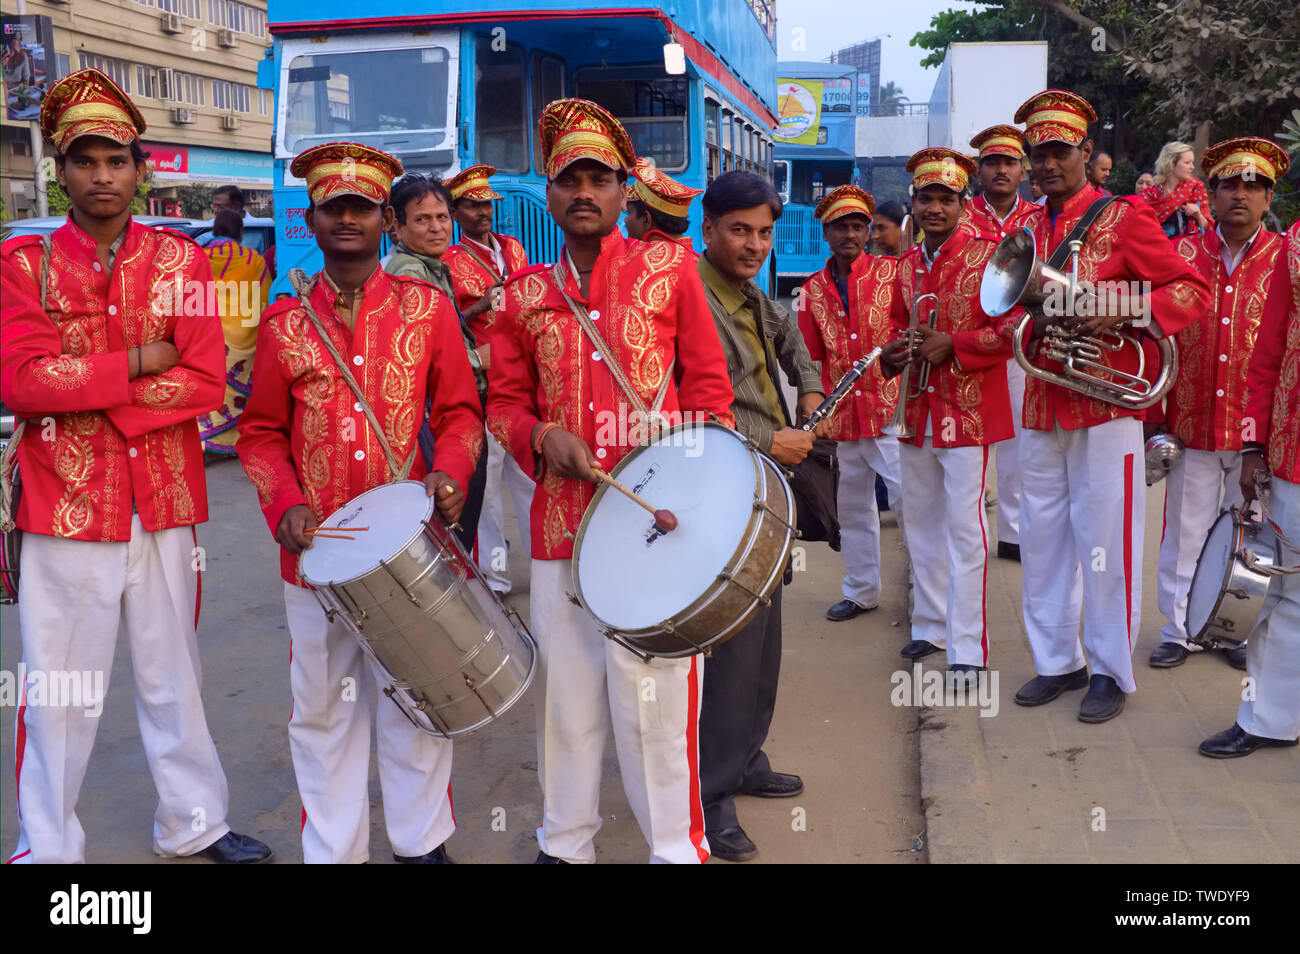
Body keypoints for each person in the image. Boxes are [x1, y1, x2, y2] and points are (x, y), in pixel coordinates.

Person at [0, 68, 271, 864]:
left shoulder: (183, 265)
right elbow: (19, 379)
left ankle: (194, 824)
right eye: (85, 161)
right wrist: (140, 360)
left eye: (116, 160)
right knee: (58, 690)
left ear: (139, 167)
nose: (102, 176)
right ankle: (45, 847)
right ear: (60, 169)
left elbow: (203, 379)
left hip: (163, 499)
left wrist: (87, 390)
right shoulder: (25, 267)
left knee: (173, 673)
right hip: (63, 504)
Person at [487, 98, 735, 864]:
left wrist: (698, 496)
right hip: (562, 524)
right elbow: (503, 401)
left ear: (627, 192)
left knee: (655, 694)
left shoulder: (672, 271)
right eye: (569, 179)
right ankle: (564, 843)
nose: (584, 192)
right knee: (567, 695)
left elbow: (709, 394)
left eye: (600, 179)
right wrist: (537, 434)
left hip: (657, 523)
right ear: (551, 194)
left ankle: (674, 848)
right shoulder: (522, 296)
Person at [236, 142, 484, 864]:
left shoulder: (427, 310)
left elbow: (463, 413)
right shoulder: (284, 327)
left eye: (361, 208)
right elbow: (259, 435)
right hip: (316, 559)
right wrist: (282, 503)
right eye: (331, 208)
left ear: (385, 220)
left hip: (409, 551)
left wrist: (453, 474)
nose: (346, 219)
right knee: (323, 710)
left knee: (418, 698)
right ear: (309, 220)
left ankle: (420, 842)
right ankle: (335, 850)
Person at [1009, 90, 1208, 723]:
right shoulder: (1030, 226)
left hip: (1105, 405)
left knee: (1107, 543)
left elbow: (1190, 288)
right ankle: (1056, 662)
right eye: (1036, 153)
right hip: (1044, 398)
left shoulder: (1123, 217)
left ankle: (1111, 672)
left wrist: (1118, 306)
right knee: (1043, 542)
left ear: (1085, 153)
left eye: (1059, 152)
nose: (1045, 164)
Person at [696, 170, 827, 862]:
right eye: (740, 231)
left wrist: (807, 388)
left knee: (767, 632)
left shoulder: (749, 293)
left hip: (767, 486)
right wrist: (767, 440)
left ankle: (746, 758)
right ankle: (711, 794)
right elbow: (679, 417)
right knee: (730, 646)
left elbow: (792, 339)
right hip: (721, 484)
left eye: (764, 233)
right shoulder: (691, 298)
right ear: (708, 229)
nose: (754, 245)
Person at [1152, 137, 1290, 671]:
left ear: (1267, 196)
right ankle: (1179, 629)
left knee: (1251, 534)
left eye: (1252, 186)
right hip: (1193, 423)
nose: (1240, 195)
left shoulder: (1285, 259)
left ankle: (1235, 632)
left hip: (1258, 430)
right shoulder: (1180, 256)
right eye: (1229, 184)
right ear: (1209, 193)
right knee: (1185, 531)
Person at [878, 149, 1016, 675]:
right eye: (925, 198)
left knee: (965, 529)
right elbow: (894, 325)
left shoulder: (992, 256)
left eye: (945, 199)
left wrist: (953, 344)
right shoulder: (907, 263)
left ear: (963, 203)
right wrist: (893, 352)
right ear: (912, 202)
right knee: (921, 522)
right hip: (915, 410)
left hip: (970, 411)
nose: (934, 208)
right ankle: (931, 627)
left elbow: (1013, 332)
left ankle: (968, 650)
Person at [1198, 216, 1300, 758]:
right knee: (1281, 592)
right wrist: (1254, 444)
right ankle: (1267, 718)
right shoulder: (1297, 244)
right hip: (1292, 450)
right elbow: (1269, 351)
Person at [795, 184, 906, 622]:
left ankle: (929, 593)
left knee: (908, 503)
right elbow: (807, 355)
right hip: (841, 417)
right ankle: (861, 591)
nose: (851, 234)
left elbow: (907, 332)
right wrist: (811, 403)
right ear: (825, 232)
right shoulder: (811, 288)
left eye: (859, 226)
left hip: (889, 411)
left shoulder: (891, 274)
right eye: (841, 227)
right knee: (853, 507)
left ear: (869, 233)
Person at [384, 172, 490, 551]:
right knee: (452, 528)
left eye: (442, 217)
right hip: (434, 420)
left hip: (449, 414)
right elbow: (419, 359)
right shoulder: (410, 275)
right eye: (422, 219)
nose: (436, 227)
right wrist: (481, 359)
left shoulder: (429, 267)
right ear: (395, 225)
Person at [443, 163, 534, 595]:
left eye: (486, 204)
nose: (482, 212)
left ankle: (548, 560)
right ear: (456, 211)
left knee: (532, 477)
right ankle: (495, 575)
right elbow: (446, 325)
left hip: (520, 381)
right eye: (472, 206)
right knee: (488, 490)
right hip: (480, 385)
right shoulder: (450, 260)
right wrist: (478, 308)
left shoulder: (513, 248)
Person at [962, 125, 1042, 563]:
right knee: (970, 446)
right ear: (978, 170)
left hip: (1020, 342)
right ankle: (967, 530)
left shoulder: (1039, 217)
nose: (1001, 170)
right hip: (969, 342)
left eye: (1010, 162)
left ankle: (1012, 533)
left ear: (1022, 169)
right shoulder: (960, 214)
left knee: (1018, 442)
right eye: (992, 162)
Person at [198, 209, 270, 457]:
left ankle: (207, 443)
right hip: (243, 340)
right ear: (240, 232)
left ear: (215, 230)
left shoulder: (199, 258)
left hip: (209, 340)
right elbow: (263, 300)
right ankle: (234, 446)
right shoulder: (254, 261)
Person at [623, 157, 703, 252]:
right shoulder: (695, 259)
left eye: (629, 212)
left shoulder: (643, 264)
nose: (625, 219)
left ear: (646, 219)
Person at [1140, 141, 1213, 238]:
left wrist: (1198, 215)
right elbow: (1139, 229)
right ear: (1171, 164)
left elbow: (1210, 228)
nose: (1192, 167)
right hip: (1157, 250)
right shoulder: (1150, 194)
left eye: (1192, 162)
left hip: (1190, 249)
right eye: (1187, 163)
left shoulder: (1195, 188)